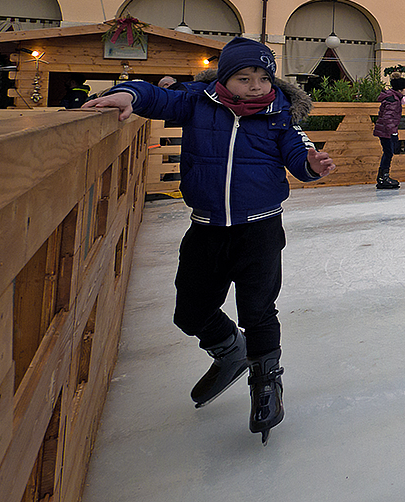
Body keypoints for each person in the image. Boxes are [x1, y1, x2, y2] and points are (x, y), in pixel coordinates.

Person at [79, 36, 335, 443]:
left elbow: (297, 150)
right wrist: (128, 93)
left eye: (263, 78)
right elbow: (153, 96)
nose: (255, 87)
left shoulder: (279, 116)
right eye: (244, 77)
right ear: (224, 79)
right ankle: (230, 350)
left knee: (259, 311)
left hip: (260, 231)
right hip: (207, 228)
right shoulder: (196, 102)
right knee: (190, 312)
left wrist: (310, 163)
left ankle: (266, 381)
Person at [373, 76, 405, 189]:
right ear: (400, 89)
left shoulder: (393, 98)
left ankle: (383, 176)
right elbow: (387, 118)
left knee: (388, 153)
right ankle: (383, 177)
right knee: (388, 153)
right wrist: (393, 133)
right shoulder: (393, 100)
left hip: (385, 130)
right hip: (386, 132)